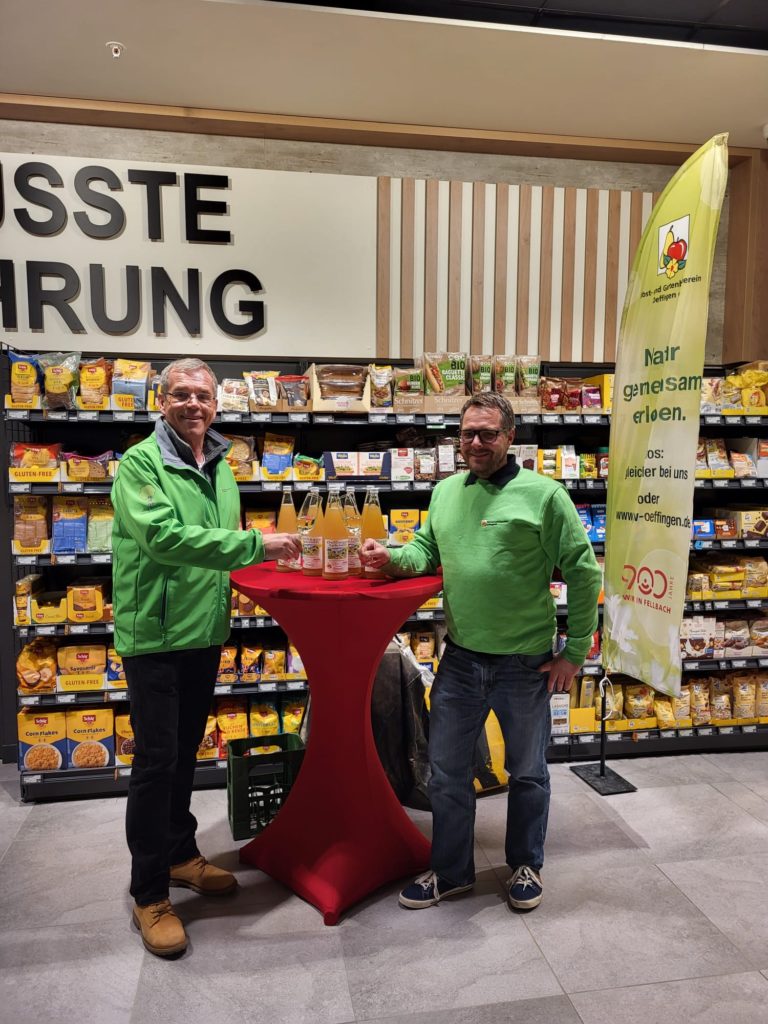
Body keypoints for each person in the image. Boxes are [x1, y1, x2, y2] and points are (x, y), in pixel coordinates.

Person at [361, 390, 601, 913]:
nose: (476, 443)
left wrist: (575, 651)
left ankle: (526, 864)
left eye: (488, 433)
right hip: (462, 659)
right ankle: (451, 872)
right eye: (468, 433)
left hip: (526, 664)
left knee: (528, 771)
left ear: (510, 437)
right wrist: (390, 557)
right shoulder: (446, 492)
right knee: (446, 772)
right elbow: (426, 549)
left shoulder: (544, 495)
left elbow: (584, 573)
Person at [111, 357, 300, 957]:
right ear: (161, 401)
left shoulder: (218, 464)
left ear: (216, 404)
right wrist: (256, 544)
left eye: (203, 395)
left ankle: (179, 854)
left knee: (185, 754)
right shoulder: (142, 463)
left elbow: (219, 547)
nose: (193, 404)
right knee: (156, 762)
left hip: (203, 631)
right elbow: (164, 539)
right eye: (181, 394)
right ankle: (148, 893)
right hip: (155, 635)